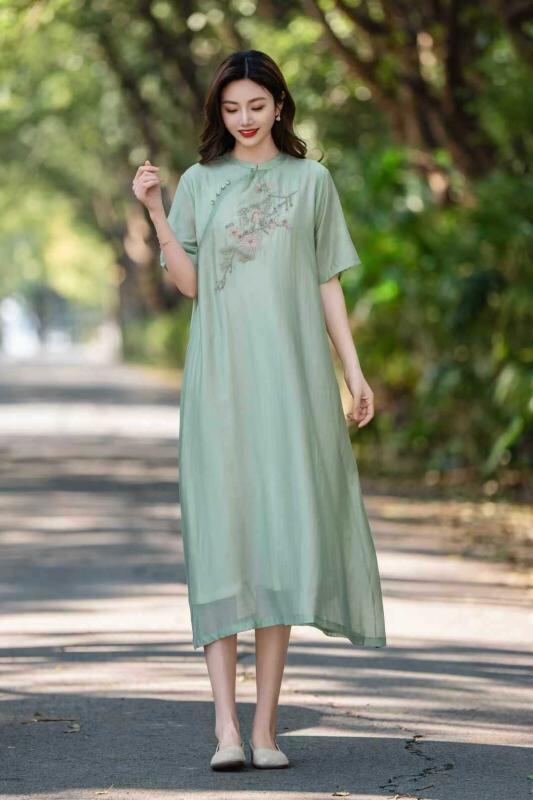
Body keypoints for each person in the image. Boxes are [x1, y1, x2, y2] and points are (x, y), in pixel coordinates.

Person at [132, 49, 387, 772]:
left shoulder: (312, 182)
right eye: (231, 108)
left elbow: (328, 282)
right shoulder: (200, 183)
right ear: (218, 112)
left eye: (256, 105)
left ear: (279, 105)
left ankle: (267, 727)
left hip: (293, 383)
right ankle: (225, 728)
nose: (244, 119)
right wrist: (156, 211)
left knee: (277, 544)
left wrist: (353, 371)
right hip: (219, 384)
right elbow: (189, 284)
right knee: (223, 541)